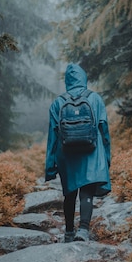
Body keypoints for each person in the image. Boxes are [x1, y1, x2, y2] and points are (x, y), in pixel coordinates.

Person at [45, 63, 111, 242]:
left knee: (69, 193)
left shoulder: (58, 102)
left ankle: (68, 232)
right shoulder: (95, 98)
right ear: (84, 78)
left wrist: (50, 166)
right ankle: (83, 230)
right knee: (86, 191)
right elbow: (103, 129)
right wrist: (107, 157)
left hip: (66, 153)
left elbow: (52, 137)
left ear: (67, 81)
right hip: (92, 151)